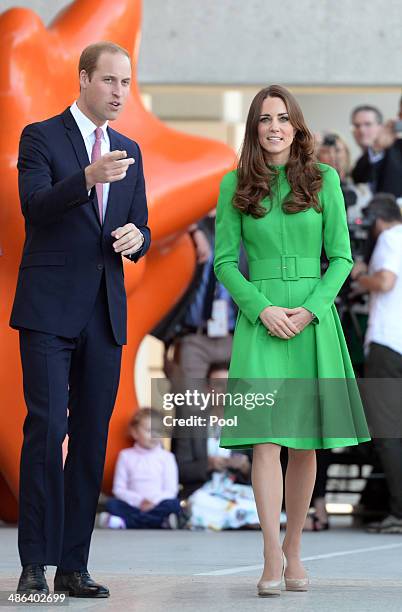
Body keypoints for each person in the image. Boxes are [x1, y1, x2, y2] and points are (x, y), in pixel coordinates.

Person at [213, 84, 371, 597]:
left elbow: (342, 257)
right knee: (265, 439)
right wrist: (261, 309)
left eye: (283, 118)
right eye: (264, 118)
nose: (274, 126)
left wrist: (309, 310)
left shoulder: (324, 179)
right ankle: (269, 558)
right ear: (254, 127)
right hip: (260, 324)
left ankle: (295, 551)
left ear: (297, 126)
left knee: (304, 445)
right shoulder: (234, 183)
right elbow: (222, 262)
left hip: (312, 321)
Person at [9, 41, 151, 597]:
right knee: (47, 432)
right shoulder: (40, 136)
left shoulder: (131, 149)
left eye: (126, 82)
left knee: (91, 439)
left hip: (104, 312)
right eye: (111, 81)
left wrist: (137, 238)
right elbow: (34, 206)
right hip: (48, 309)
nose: (120, 92)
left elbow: (139, 223)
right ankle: (33, 563)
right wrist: (88, 178)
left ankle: (73, 564)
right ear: (85, 78)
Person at [351, 193, 402, 534]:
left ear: (378, 220)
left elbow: (385, 282)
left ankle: (399, 512)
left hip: (387, 344)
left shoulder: (388, 237)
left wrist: (360, 277)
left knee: (387, 432)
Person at [98, 408, 182, 529]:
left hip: (157, 504)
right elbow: (119, 489)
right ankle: (160, 522)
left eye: (158, 431)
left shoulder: (167, 458)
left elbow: (171, 490)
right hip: (133, 505)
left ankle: (125, 522)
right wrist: (140, 501)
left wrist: (153, 502)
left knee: (173, 504)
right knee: (112, 504)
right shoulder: (126, 456)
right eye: (149, 430)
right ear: (135, 432)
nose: (154, 435)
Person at [351, 104, 402, 199]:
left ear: (381, 127)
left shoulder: (398, 148)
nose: (362, 130)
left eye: (368, 124)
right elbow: (359, 178)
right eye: (357, 125)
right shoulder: (362, 161)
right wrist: (376, 150)